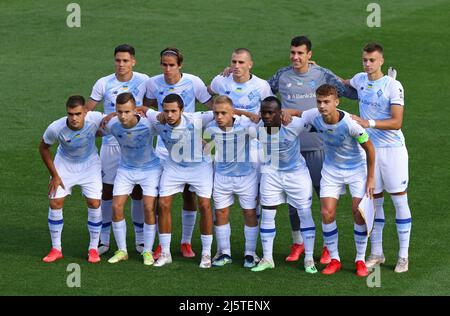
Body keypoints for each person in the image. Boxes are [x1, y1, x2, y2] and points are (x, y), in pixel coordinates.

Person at [267, 36, 359, 264]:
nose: (295, 57)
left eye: (300, 53)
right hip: (292, 151)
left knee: (324, 198)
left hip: (319, 148)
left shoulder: (322, 74)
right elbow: (262, 93)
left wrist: (373, 80)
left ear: (310, 55)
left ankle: (328, 248)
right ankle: (298, 243)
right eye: (292, 53)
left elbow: (349, 93)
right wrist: (233, 73)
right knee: (293, 201)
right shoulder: (282, 75)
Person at [286, 84, 376, 276]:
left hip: (356, 170)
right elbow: (300, 113)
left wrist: (370, 178)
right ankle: (335, 259)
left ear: (336, 102)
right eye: (319, 102)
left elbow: (370, 148)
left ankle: (360, 259)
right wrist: (285, 112)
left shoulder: (351, 124)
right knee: (327, 213)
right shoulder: (315, 116)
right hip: (332, 170)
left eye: (327, 102)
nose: (322, 106)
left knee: (358, 214)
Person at [142, 47, 213, 259]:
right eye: (164, 64)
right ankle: (160, 245)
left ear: (180, 65)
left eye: (171, 65)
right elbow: (146, 107)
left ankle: (186, 242)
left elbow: (213, 109)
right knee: (159, 198)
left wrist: (201, 138)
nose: (167, 69)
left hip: (191, 145)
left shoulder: (194, 82)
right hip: (165, 147)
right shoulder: (153, 83)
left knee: (189, 195)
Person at [347, 43, 411, 273]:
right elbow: (343, 85)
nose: (367, 64)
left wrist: (368, 123)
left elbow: (397, 122)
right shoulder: (360, 79)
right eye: (364, 59)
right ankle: (377, 253)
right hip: (369, 151)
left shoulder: (394, 86)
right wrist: (317, 69)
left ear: (381, 60)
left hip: (392, 151)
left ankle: (403, 256)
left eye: (372, 60)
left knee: (399, 200)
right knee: (375, 201)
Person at [85, 44, 149, 256]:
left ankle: (140, 241)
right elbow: (87, 110)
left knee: (138, 191)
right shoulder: (103, 83)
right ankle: (104, 240)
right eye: (117, 60)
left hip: (137, 143)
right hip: (111, 144)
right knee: (107, 192)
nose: (121, 64)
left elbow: (151, 107)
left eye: (125, 60)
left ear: (133, 61)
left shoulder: (144, 80)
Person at [250, 96, 317, 274]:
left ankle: (309, 259)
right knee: (267, 215)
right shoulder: (257, 128)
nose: (266, 116)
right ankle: (267, 258)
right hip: (271, 174)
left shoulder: (294, 124)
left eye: (271, 112)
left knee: (304, 213)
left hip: (296, 174)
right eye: (263, 112)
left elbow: (317, 122)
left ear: (280, 113)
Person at [39, 95, 104, 263]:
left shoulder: (95, 119)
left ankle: (93, 249)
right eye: (70, 114)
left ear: (85, 111)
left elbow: (114, 120)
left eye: (78, 114)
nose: (74, 118)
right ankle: (56, 249)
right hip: (64, 164)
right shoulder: (56, 127)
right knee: (55, 202)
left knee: (94, 203)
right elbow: (43, 148)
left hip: (90, 164)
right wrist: (54, 175)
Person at [102, 93, 162, 266]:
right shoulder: (113, 125)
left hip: (150, 169)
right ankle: (122, 251)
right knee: (116, 206)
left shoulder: (148, 124)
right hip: (126, 169)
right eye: (119, 112)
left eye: (127, 112)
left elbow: (168, 129)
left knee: (149, 207)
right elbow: (96, 129)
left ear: (135, 110)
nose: (123, 116)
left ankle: (148, 251)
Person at [204, 96, 260, 268]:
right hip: (221, 177)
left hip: (246, 176)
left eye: (223, 113)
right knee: (220, 213)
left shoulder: (247, 125)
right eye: (216, 113)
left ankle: (250, 253)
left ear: (232, 112)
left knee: (249, 213)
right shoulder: (210, 127)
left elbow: (263, 123)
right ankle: (224, 252)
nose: (219, 117)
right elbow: (208, 146)